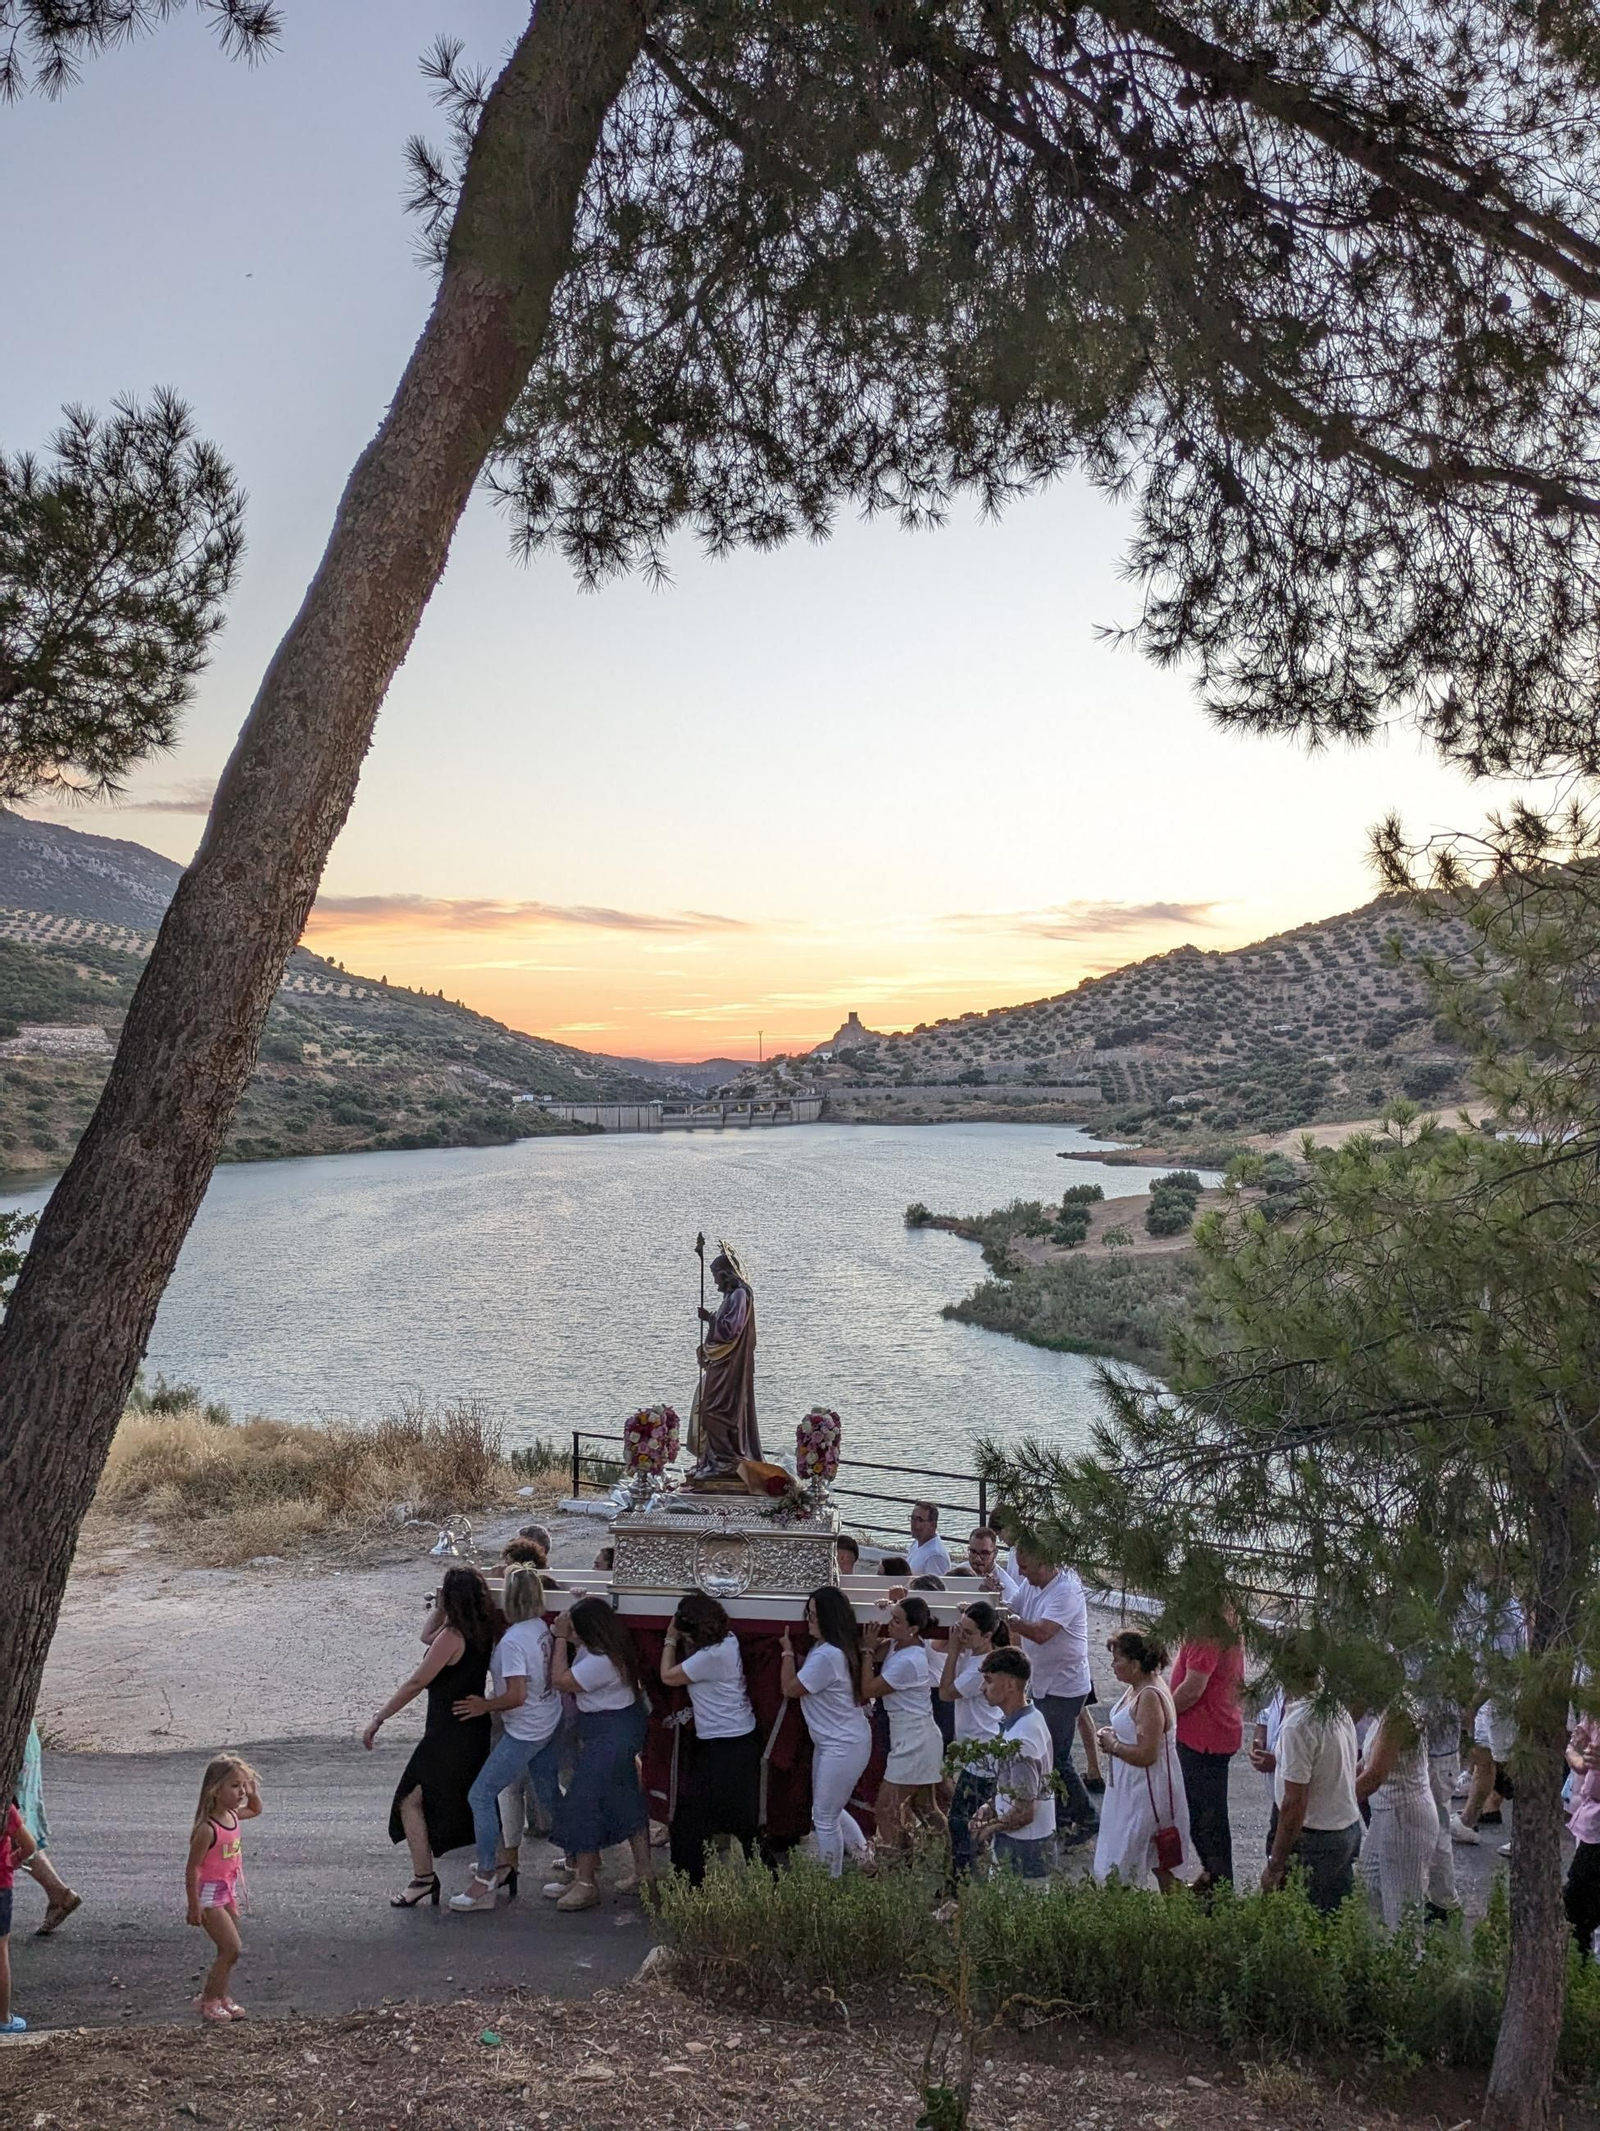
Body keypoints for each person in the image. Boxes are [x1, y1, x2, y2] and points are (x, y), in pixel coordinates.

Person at [364, 1564, 498, 1907]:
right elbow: (427, 1637)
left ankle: (423, 1878)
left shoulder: (453, 1636)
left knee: (409, 1797)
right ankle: (465, 1868)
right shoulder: (482, 1627)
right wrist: (442, 1607)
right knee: (450, 1797)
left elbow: (417, 1681)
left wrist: (380, 1717)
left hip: (447, 1731)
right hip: (468, 1727)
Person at [449, 1564, 562, 1912]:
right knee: (547, 1791)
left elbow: (515, 1695)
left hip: (526, 1728)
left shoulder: (514, 1641)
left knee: (480, 1794)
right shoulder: (539, 1628)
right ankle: (580, 1856)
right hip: (548, 1718)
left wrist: (485, 1705)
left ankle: (486, 1878)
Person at [547, 1596, 651, 1910]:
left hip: (609, 1733)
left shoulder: (600, 1661)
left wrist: (561, 1637)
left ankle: (586, 1883)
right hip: (615, 1728)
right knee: (627, 1798)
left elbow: (560, 1681)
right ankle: (645, 1874)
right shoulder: (606, 1651)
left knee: (584, 1803)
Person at [660, 1592, 760, 1885]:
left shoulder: (710, 1657)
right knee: (744, 1823)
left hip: (723, 1746)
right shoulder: (729, 1642)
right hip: (739, 1740)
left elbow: (668, 1676)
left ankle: (690, 1884)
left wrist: (669, 1639)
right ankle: (767, 1880)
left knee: (688, 1821)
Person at [1005, 1542, 1099, 1847]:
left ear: (1044, 1562)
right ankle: (1066, 1816)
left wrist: (1013, 1623)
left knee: (1056, 1757)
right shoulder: (1032, 1585)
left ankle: (1085, 1817)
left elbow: (1043, 1632)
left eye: (1026, 1567)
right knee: (1053, 1755)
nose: (1021, 1572)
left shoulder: (1065, 1591)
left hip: (1065, 1686)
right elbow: (1013, 1606)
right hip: (1044, 1682)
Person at [780, 1586, 872, 1875]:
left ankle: (830, 1881)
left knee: (823, 1816)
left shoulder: (827, 1655)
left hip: (842, 1744)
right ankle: (865, 1862)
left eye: (814, 1616)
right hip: (838, 1741)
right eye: (808, 1614)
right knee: (831, 1810)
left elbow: (790, 1689)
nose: (809, 1621)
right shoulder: (831, 1647)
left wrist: (786, 1653)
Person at [1093, 1631, 1189, 1893]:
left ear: (1135, 1664)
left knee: (1134, 1863)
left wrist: (1113, 1745)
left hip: (1147, 1793)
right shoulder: (1138, 1688)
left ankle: (1141, 1923)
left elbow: (1148, 1754)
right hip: (1129, 1790)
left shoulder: (1149, 1695)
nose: (1112, 1666)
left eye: (1117, 1660)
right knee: (1158, 1864)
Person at [1263, 1662, 1362, 1913]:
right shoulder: (1335, 1707)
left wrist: (1275, 1864)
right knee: (1333, 1921)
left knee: (1299, 1922)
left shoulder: (1300, 1723)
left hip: (1315, 1837)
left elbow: (1294, 1802)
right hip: (1344, 1828)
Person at [183, 1754, 263, 2024]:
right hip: (210, 1896)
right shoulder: (208, 1829)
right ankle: (209, 2000)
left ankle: (221, 1996)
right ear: (215, 1790)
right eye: (235, 1786)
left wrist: (251, 1790)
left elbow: (255, 1809)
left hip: (229, 1892)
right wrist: (194, 1905)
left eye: (243, 1785)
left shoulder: (232, 1815)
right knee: (231, 1948)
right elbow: (193, 1868)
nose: (241, 1792)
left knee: (229, 1951)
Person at [863, 1598, 947, 1853]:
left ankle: (899, 1861)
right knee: (925, 1808)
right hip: (914, 1734)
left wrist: (867, 1651)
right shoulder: (898, 1646)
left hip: (915, 1738)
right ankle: (950, 1857)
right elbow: (875, 1649)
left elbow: (867, 1689)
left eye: (897, 1621)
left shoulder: (910, 1659)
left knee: (886, 1810)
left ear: (913, 1629)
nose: (890, 1624)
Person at [969, 1648, 1056, 1882]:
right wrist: (991, 1806)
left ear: (1009, 1684)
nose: (982, 1688)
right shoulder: (1031, 1719)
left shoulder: (1021, 1740)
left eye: (988, 1680)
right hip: (1033, 1840)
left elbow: (1025, 1810)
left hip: (1024, 1846)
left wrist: (987, 1829)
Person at [1170, 1629, 1244, 1887]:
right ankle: (1213, 1881)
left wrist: (1160, 1714)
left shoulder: (1207, 1627)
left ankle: (1218, 1888)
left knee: (1205, 1822)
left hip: (1204, 1738)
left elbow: (1192, 1689)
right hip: (1208, 1732)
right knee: (1204, 1819)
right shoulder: (1215, 1619)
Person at [940, 1601, 1006, 1880]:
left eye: (967, 1632)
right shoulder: (976, 1656)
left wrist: (953, 1651)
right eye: (959, 1630)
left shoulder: (979, 1666)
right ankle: (968, 1873)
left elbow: (945, 1693)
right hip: (976, 1749)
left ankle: (962, 1882)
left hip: (982, 1753)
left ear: (987, 1636)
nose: (960, 1636)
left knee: (960, 1821)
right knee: (969, 1818)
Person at [1357, 1701, 1438, 1928]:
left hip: (1404, 1816)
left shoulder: (1400, 1714)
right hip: (1384, 1816)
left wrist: (1335, 1803)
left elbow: (1374, 1775)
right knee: (1369, 1891)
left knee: (1403, 1916)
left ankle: (1410, 1962)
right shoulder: (1386, 1710)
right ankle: (1378, 1958)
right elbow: (1365, 1765)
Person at [686, 1246, 761, 1484]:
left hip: (730, 1366)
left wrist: (710, 1318)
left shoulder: (740, 1295)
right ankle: (713, 1460)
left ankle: (725, 1462)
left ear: (726, 1274)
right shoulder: (732, 1295)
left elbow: (731, 1330)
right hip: (722, 1362)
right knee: (709, 1408)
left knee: (715, 1410)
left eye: (716, 1277)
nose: (715, 1283)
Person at [16, 1719, 80, 1936]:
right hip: (21, 1739)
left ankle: (60, 1894)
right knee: (18, 1827)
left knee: (14, 1826)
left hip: (13, 1744)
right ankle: (59, 1894)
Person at [0, 1795, 35, 2034]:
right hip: (1, 1884)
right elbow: (30, 1846)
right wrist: (11, 1861)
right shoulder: (5, 1807)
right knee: (1, 1950)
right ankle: (3, 2018)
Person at [1565, 1713, 1600, 1956]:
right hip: (1592, 1819)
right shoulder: (1595, 1701)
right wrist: (1578, 1755)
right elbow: (1576, 1744)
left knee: (1580, 1898)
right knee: (1578, 1901)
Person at [908, 1502, 952, 1578]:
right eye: (912, 1518)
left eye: (919, 1520)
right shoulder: (916, 1543)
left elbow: (935, 1588)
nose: (914, 1523)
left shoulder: (935, 1556)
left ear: (932, 1525)